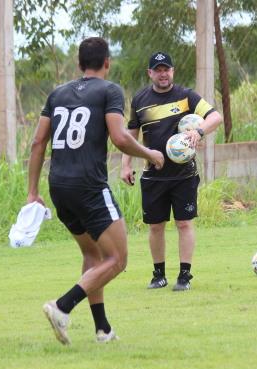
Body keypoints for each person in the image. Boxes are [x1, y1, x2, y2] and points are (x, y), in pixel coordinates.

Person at [27, 37, 164, 345]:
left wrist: (32, 191)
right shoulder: (109, 90)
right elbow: (120, 138)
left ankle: (102, 329)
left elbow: (38, 143)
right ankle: (61, 307)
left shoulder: (57, 93)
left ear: (79, 64)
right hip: (88, 186)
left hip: (59, 185)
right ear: (107, 62)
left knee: (94, 255)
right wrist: (151, 154)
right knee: (117, 259)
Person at [121, 52, 223, 291]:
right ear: (150, 73)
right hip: (153, 174)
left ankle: (184, 276)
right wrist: (126, 165)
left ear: (173, 71)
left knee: (184, 223)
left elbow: (215, 117)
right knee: (156, 226)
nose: (163, 73)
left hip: (183, 174)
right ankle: (159, 275)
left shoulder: (187, 97)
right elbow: (130, 136)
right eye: (157, 69)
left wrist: (199, 132)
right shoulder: (140, 100)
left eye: (166, 69)